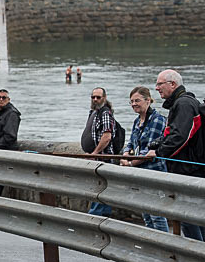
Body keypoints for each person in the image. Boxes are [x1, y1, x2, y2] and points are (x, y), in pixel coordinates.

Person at [147, 69, 205, 240]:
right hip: (191, 169)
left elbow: (181, 136)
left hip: (189, 170)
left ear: (172, 84)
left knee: (187, 217)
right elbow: (173, 134)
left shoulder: (184, 104)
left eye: (159, 84)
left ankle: (197, 257)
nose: (156, 88)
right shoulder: (182, 103)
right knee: (194, 216)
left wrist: (159, 152)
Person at [120, 86, 169, 232]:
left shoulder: (157, 120)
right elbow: (130, 143)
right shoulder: (137, 121)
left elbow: (149, 151)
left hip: (154, 172)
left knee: (156, 215)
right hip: (140, 173)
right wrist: (125, 154)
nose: (134, 104)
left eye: (137, 100)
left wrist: (129, 163)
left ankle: (164, 245)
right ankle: (154, 245)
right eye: (131, 101)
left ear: (148, 101)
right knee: (146, 214)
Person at [82, 87, 116, 216]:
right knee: (99, 192)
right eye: (93, 97)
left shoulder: (105, 113)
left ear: (104, 98)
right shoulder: (94, 112)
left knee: (100, 192)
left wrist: (95, 153)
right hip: (96, 158)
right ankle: (101, 220)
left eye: (98, 97)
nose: (95, 100)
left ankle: (95, 219)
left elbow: (107, 136)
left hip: (103, 159)